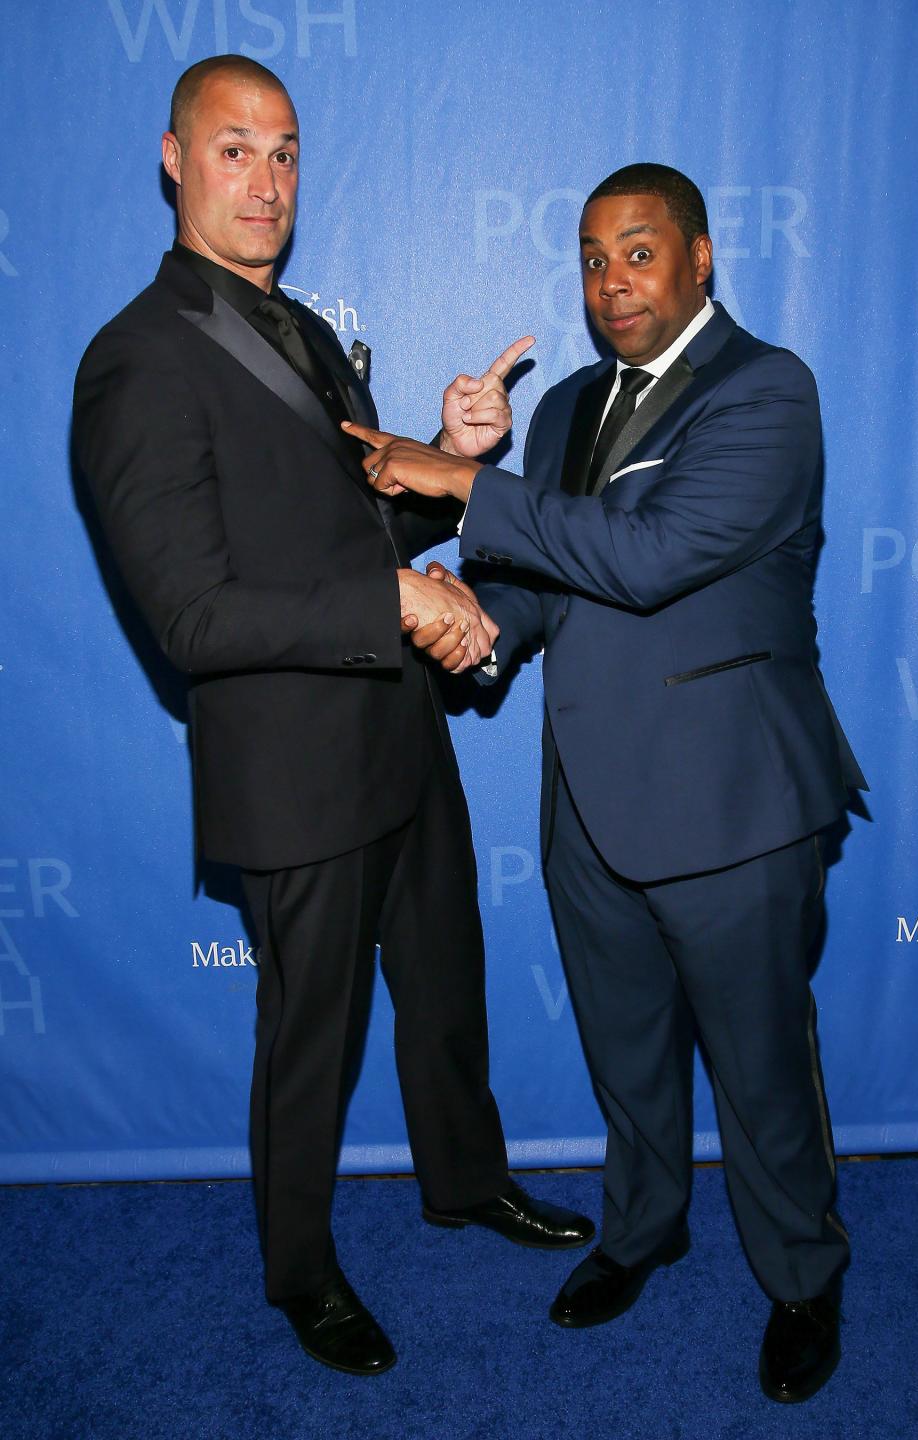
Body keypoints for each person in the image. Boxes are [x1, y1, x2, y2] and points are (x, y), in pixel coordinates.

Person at [72, 54, 593, 1379]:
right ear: (175, 161)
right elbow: (192, 621)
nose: (267, 180)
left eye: (287, 151)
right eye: (235, 149)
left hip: (400, 729)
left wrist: (453, 455)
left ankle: (466, 1180)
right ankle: (299, 1274)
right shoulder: (135, 361)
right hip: (293, 762)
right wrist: (396, 606)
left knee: (446, 981)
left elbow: (366, 520)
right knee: (312, 1034)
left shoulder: (299, 329)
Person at [346, 163, 865, 1404]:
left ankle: (803, 1276)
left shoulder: (767, 392)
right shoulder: (570, 407)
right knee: (627, 1054)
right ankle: (644, 1226)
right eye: (591, 257)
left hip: (736, 805)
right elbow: (552, 578)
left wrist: (463, 480)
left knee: (759, 1068)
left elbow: (655, 556)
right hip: (588, 798)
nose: (611, 280)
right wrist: (477, 619)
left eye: (638, 251)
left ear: (699, 260)